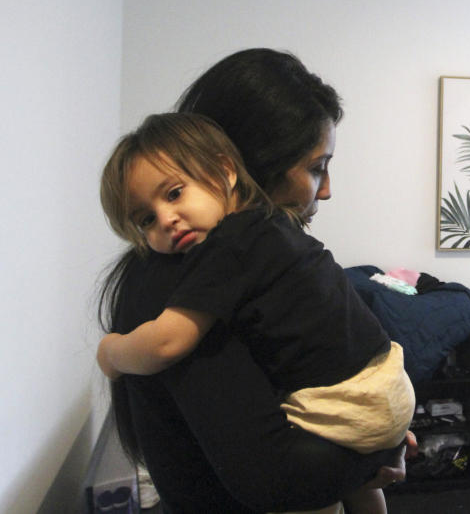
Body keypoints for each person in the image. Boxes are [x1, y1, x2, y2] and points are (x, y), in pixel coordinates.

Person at [98, 48, 415, 513]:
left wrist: (373, 440)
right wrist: (374, 456)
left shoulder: (256, 259)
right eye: (315, 167)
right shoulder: (181, 287)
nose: (325, 189)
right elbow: (272, 480)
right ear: (243, 167)